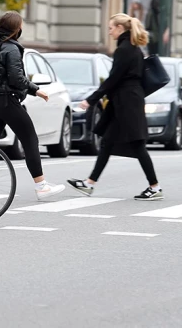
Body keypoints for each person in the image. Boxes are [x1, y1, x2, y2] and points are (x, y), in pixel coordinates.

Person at [67, 13, 162, 201]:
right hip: (127, 101)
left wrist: (91, 100)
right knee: (108, 142)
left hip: (127, 103)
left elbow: (113, 79)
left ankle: (155, 187)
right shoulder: (133, 48)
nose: (109, 32)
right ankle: (90, 183)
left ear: (120, 28)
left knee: (137, 144)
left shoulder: (125, 49)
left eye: (111, 28)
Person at [0, 11, 65, 200]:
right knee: (30, 139)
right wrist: (36, 90)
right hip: (7, 100)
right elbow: (16, 78)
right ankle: (41, 186)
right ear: (17, 28)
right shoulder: (12, 49)